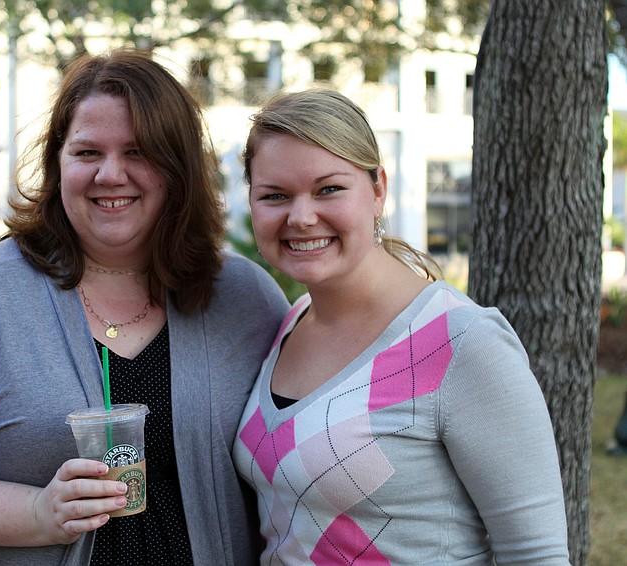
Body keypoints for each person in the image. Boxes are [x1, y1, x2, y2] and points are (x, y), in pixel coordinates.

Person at [0, 49, 289, 565]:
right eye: (87, 152)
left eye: (139, 152)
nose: (110, 174)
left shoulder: (245, 299)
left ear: (179, 168)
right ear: (58, 162)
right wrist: (36, 511)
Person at [232, 89, 572, 565]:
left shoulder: (463, 343)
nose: (302, 217)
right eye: (275, 196)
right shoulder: (290, 322)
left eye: (329, 189)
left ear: (377, 190)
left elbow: (536, 554)